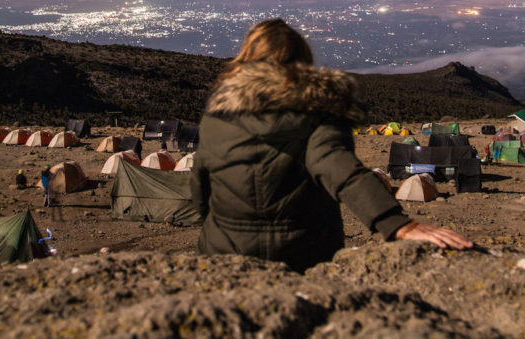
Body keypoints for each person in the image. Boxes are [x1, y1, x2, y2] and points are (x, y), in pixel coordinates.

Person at [190, 19, 472, 272]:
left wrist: (220, 230)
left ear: (246, 59)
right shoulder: (315, 114)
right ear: (303, 60)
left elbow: (201, 188)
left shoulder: (217, 118)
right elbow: (344, 173)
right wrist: (397, 225)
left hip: (224, 253)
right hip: (302, 255)